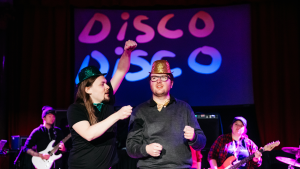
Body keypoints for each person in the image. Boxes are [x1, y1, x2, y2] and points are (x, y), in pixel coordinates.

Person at [67, 40, 137, 169]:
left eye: (106, 82)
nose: (107, 87)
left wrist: (127, 52)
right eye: (102, 84)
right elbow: (89, 134)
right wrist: (117, 115)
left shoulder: (106, 100)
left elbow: (121, 71)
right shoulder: (76, 109)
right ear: (88, 89)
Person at [126, 60, 206, 169]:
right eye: (154, 78)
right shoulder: (140, 111)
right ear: (150, 83)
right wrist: (146, 149)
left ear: (171, 83)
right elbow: (130, 148)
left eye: (164, 77)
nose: (159, 81)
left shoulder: (184, 108)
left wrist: (194, 137)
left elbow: (202, 143)